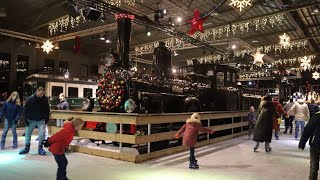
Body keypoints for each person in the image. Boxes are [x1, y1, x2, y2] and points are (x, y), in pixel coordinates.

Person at [19, 86, 50, 155]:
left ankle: (40, 148)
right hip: (31, 119)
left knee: (42, 133)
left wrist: (47, 118)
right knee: (27, 134)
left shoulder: (45, 99)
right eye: (40, 93)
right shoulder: (30, 99)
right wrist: (25, 120)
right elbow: (25, 109)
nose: (41, 95)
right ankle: (27, 148)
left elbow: (47, 109)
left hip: (41, 119)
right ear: (37, 91)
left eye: (42, 94)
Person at [298, 111, 320, 180]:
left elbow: (308, 129)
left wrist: (302, 143)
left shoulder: (318, 115)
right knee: (313, 167)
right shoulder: (317, 115)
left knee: (313, 167)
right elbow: (308, 129)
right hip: (316, 144)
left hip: (315, 144)